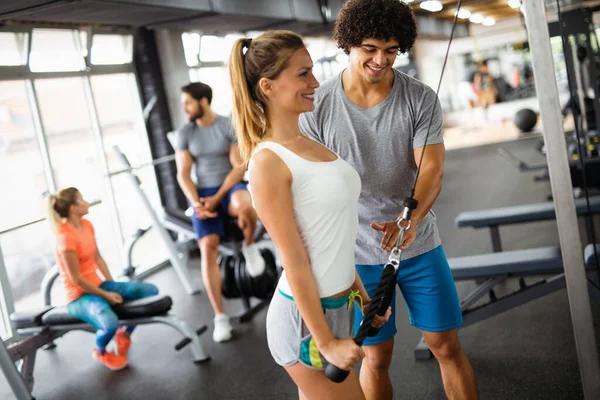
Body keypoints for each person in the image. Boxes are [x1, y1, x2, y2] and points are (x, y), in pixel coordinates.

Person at [299, 1, 479, 399]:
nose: (382, 59)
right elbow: (312, 185)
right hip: (356, 254)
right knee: (376, 357)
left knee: (445, 346)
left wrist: (410, 220)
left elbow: (430, 168)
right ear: (349, 44)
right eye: (370, 48)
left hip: (416, 242)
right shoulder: (319, 105)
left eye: (392, 50)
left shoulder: (419, 98)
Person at [228, 30, 390, 399]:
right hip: (304, 321)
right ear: (267, 87)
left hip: (338, 306)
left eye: (312, 71)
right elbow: (295, 260)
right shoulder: (268, 162)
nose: (315, 82)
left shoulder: (311, 144)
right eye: (302, 74)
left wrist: (363, 298)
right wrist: (327, 341)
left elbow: (333, 237)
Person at [174, 81, 266, 343]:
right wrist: (197, 203)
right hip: (203, 193)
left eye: (188, 102)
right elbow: (183, 174)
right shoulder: (185, 133)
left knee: (245, 205)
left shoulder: (227, 125)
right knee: (208, 247)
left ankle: (249, 246)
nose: (185, 107)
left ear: (204, 102)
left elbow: (238, 167)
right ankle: (220, 317)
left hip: (229, 186)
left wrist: (217, 198)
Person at [46, 187, 159, 370]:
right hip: (79, 297)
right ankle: (100, 350)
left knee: (150, 291)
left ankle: (125, 334)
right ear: (74, 208)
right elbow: (77, 279)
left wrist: (112, 285)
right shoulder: (65, 237)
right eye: (81, 199)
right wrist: (107, 295)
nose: (86, 202)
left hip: (99, 285)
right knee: (109, 323)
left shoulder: (87, 225)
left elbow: (98, 258)